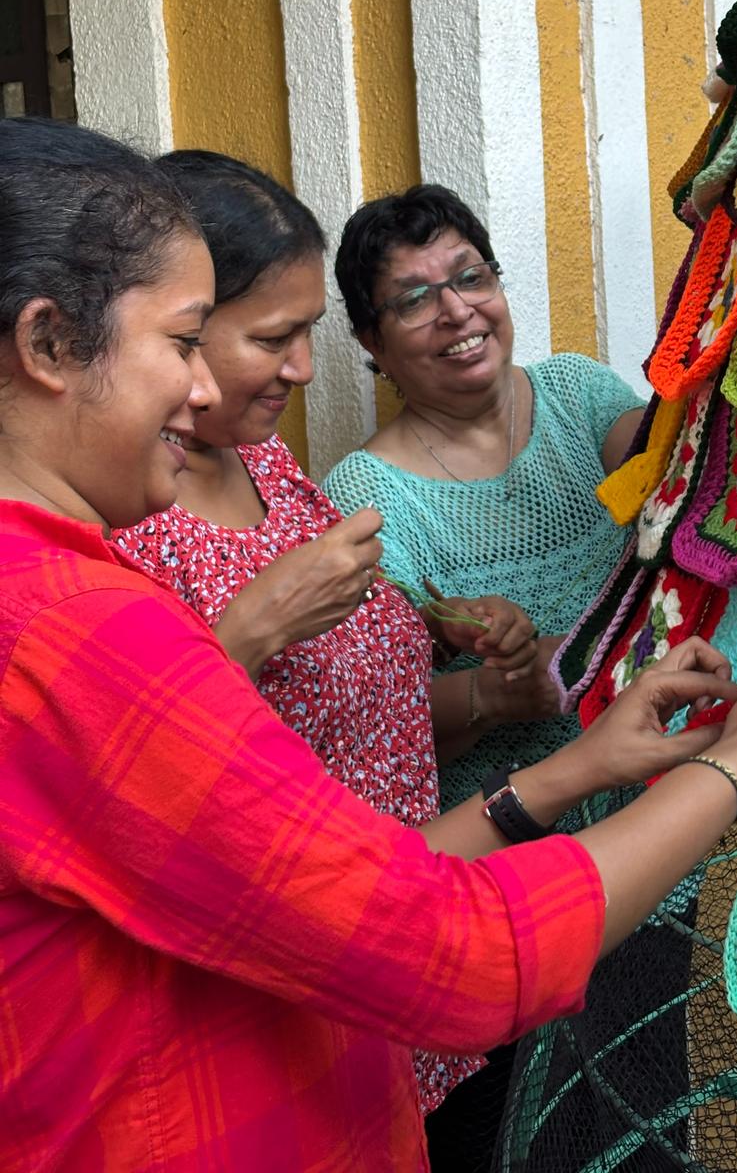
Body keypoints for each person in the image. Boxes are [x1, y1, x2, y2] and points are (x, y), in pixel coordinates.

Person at [0, 117, 737, 1172]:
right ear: (46, 344)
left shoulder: (84, 578)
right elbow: (455, 952)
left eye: (471, 277)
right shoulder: (73, 628)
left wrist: (569, 764)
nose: (207, 389)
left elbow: (332, 877)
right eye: (184, 341)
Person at [112, 150, 545, 1114]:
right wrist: (253, 630)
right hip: (306, 1000)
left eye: (308, 334)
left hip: (426, 964)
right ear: (175, 328)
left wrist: (469, 672)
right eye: (274, 337)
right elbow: (140, 791)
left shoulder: (272, 469)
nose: (305, 371)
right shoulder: (120, 516)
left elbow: (359, 727)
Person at [324, 184, 645, 816]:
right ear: (372, 342)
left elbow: (683, 477)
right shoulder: (367, 494)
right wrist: (501, 692)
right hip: (512, 831)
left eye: (471, 278)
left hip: (671, 779)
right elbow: (375, 715)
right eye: (415, 299)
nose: (456, 311)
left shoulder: (578, 394)